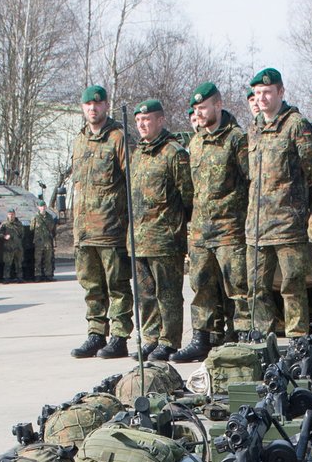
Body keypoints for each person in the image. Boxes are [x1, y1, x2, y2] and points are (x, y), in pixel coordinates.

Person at [244, 67, 312, 343]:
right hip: (257, 228)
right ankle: (263, 339)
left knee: (292, 286)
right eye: (257, 93)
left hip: (287, 224)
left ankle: (298, 338)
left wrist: (300, 210)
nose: (262, 98)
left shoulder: (296, 124)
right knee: (256, 288)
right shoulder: (254, 128)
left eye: (267, 92)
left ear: (280, 92)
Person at [182, 81, 246, 361]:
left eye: (204, 107)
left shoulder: (236, 139)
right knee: (201, 287)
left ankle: (242, 336)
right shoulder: (195, 142)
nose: (199, 112)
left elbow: (249, 180)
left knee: (238, 287)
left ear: (218, 105)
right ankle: (202, 337)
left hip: (230, 228)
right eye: (196, 108)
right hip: (200, 231)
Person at [69, 84, 132, 359]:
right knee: (91, 288)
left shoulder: (118, 138)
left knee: (117, 286)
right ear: (83, 109)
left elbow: (132, 182)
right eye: (87, 105)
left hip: (111, 229)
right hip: (84, 232)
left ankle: (119, 337)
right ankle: (96, 333)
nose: (92, 109)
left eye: (97, 104)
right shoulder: (80, 140)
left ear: (106, 106)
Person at [129, 98, 192, 361]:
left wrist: (177, 228)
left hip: (165, 239)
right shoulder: (137, 154)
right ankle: (152, 337)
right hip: (139, 239)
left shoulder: (173, 153)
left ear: (160, 120)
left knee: (168, 295)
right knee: (145, 295)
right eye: (139, 121)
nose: (143, 125)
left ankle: (169, 340)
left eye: (148, 119)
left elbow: (188, 196)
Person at [1, 208, 29, 282]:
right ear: (7, 215)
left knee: (19, 264)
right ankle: (6, 278)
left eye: (12, 214)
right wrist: (4, 236)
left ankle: (20, 277)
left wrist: (18, 241)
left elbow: (22, 234)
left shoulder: (19, 223)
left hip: (18, 247)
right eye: (10, 214)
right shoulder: (4, 224)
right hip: (8, 247)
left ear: (14, 215)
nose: (11, 216)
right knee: (7, 264)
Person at [31, 203, 57, 280]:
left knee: (48, 259)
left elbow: (52, 228)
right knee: (38, 259)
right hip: (38, 241)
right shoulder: (35, 217)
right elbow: (32, 228)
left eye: (43, 206)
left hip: (47, 241)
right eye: (41, 206)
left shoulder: (50, 217)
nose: (42, 208)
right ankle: (38, 275)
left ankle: (48, 275)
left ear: (45, 207)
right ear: (38, 207)